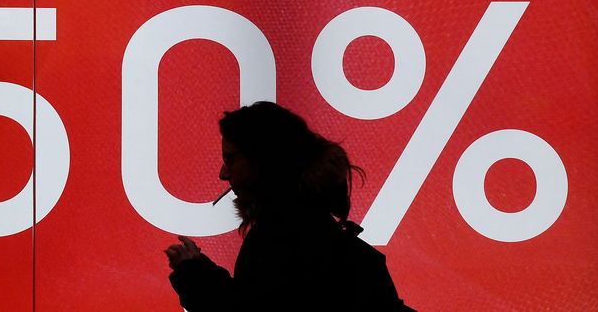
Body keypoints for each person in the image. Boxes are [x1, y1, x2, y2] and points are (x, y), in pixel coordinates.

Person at [164, 101, 412, 311]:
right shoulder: (310, 227)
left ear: (263, 159)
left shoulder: (284, 235)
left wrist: (193, 275)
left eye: (230, 159)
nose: (222, 173)